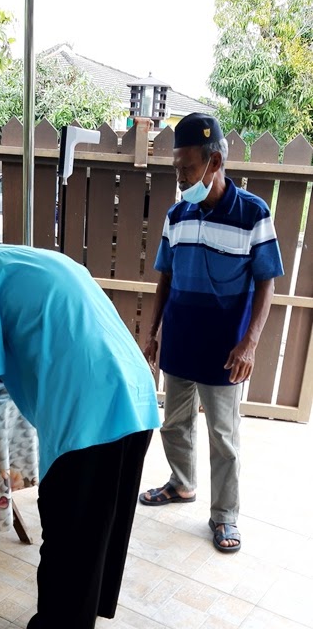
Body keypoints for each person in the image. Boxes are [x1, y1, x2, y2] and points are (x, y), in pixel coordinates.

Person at [0, 226, 160, 629]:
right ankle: (86, 611)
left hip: (88, 409)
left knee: (69, 529)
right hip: (135, 394)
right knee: (104, 518)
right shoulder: (32, 258)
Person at [139, 113, 284, 553]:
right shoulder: (177, 214)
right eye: (176, 168)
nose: (181, 178)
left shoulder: (253, 214)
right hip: (180, 342)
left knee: (224, 437)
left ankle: (224, 516)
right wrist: (153, 333)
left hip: (225, 350)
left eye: (187, 168)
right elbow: (165, 278)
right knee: (174, 424)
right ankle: (182, 484)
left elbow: (267, 283)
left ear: (214, 161)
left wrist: (250, 344)